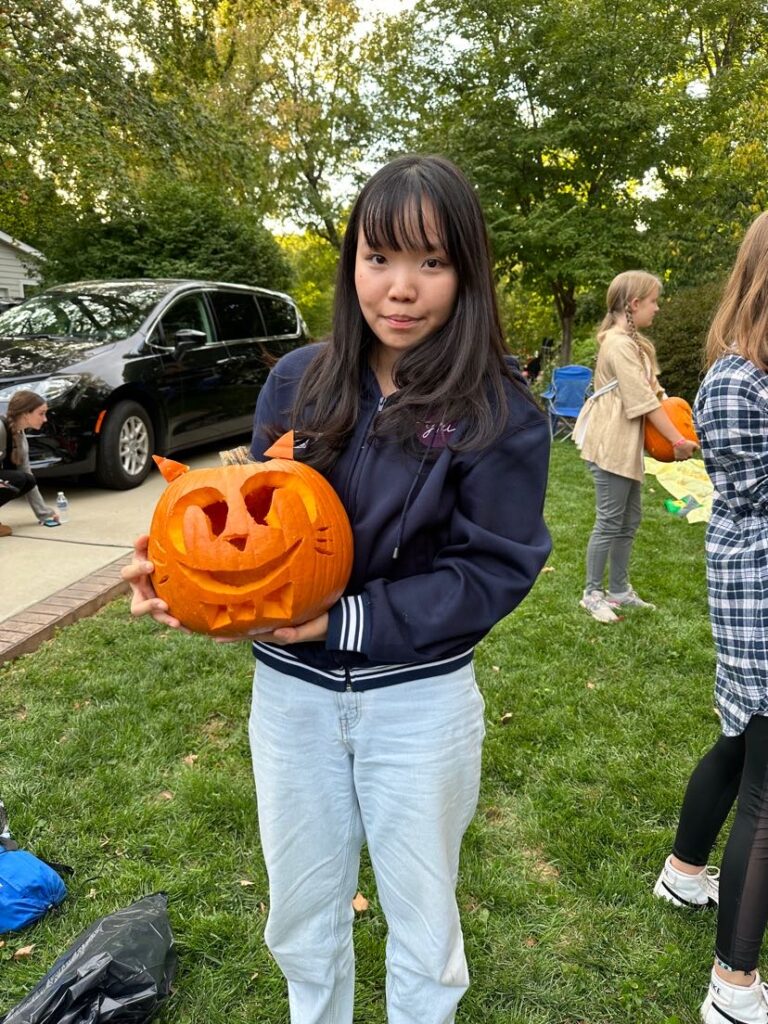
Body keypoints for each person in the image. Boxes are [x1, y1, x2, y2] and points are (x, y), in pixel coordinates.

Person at [123, 153, 552, 1024]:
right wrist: (182, 577)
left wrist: (344, 621)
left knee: (424, 928)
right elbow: (260, 519)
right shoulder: (297, 382)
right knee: (301, 915)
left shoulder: (500, 411)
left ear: (466, 273)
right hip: (293, 705)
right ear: (351, 261)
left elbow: (491, 570)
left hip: (417, 705)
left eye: (431, 262)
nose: (400, 288)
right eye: (378, 257)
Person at [654, 213, 768, 1024]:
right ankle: (734, 986)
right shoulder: (738, 380)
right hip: (758, 585)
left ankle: (685, 871)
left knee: (741, 744)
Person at [573, 270, 698, 623]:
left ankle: (619, 590)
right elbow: (641, 400)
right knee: (610, 520)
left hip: (625, 446)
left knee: (629, 520)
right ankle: (592, 593)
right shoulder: (618, 343)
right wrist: (675, 440)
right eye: (654, 301)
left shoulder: (634, 343)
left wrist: (684, 422)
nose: (657, 308)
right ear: (634, 304)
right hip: (611, 444)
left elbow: (655, 393)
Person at [0, 390, 57, 536]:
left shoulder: (19, 435)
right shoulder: (1, 429)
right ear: (26, 414)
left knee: (26, 480)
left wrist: (44, 513)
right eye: (41, 413)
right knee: (16, 479)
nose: (45, 419)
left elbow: (27, 473)